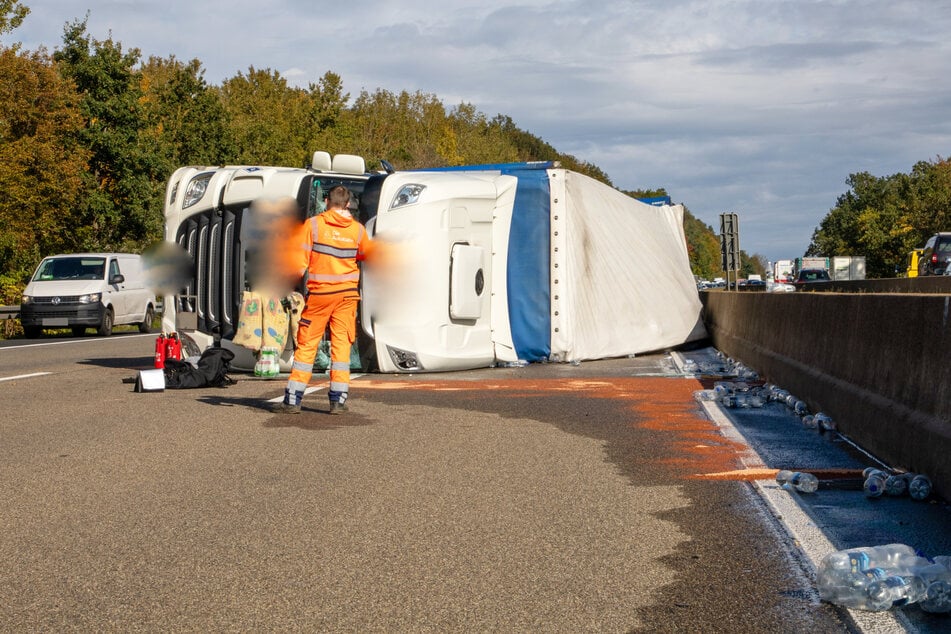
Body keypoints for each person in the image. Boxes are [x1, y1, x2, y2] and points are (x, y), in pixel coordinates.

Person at [273, 185, 372, 414]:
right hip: (347, 297)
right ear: (348, 205)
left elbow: (299, 262)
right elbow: (365, 254)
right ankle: (338, 401)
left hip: (320, 295)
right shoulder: (357, 230)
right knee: (341, 348)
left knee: (307, 345)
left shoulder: (313, 225)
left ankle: (293, 400)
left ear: (326, 200)